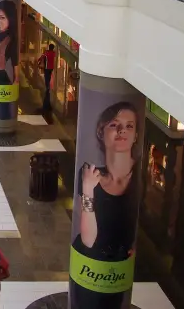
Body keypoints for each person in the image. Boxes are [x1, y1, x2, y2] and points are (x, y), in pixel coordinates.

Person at [71, 102, 141, 309]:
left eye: (129, 126)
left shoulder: (140, 176)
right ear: (101, 133)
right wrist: (88, 190)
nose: (122, 131)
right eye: (114, 125)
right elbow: (88, 239)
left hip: (119, 268)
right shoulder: (89, 175)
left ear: (136, 135)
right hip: (88, 264)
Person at [38, 43, 57, 109]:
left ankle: (47, 87)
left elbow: (41, 57)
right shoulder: (54, 53)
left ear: (49, 47)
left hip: (46, 67)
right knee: (48, 76)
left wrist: (39, 61)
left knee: (46, 77)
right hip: (51, 67)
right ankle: (48, 86)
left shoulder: (46, 52)